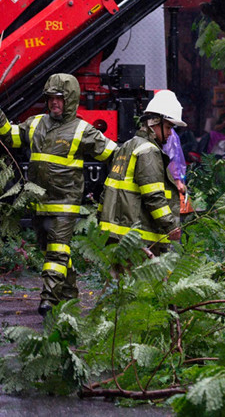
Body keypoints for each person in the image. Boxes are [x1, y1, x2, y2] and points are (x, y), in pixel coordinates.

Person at [0, 73, 118, 316]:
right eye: (51, 98)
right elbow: (9, 136)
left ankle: (48, 299)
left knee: (57, 250)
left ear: (71, 100)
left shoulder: (82, 130)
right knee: (53, 252)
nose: (54, 102)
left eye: (60, 98)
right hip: (39, 203)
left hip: (65, 205)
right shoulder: (34, 124)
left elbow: (114, 154)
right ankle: (69, 294)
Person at [99, 90, 183, 259]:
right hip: (139, 237)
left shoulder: (128, 146)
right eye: (167, 127)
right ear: (154, 123)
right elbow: (153, 196)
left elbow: (107, 189)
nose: (169, 133)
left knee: (122, 282)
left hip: (118, 234)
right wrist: (171, 226)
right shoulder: (148, 152)